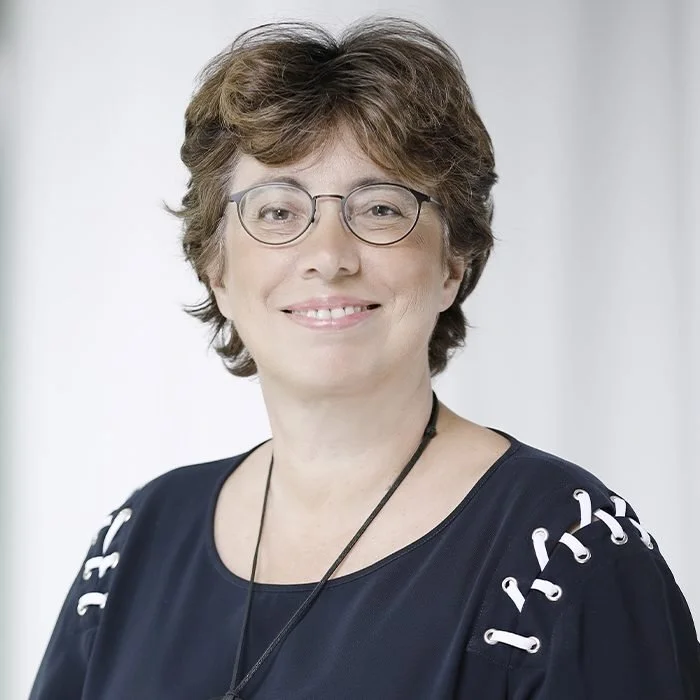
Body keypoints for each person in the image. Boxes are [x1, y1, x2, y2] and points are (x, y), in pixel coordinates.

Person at [30, 15, 700, 700]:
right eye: (277, 211)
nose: (329, 257)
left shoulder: (565, 550)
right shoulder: (139, 541)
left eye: (380, 209)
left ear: (452, 263)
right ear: (217, 270)